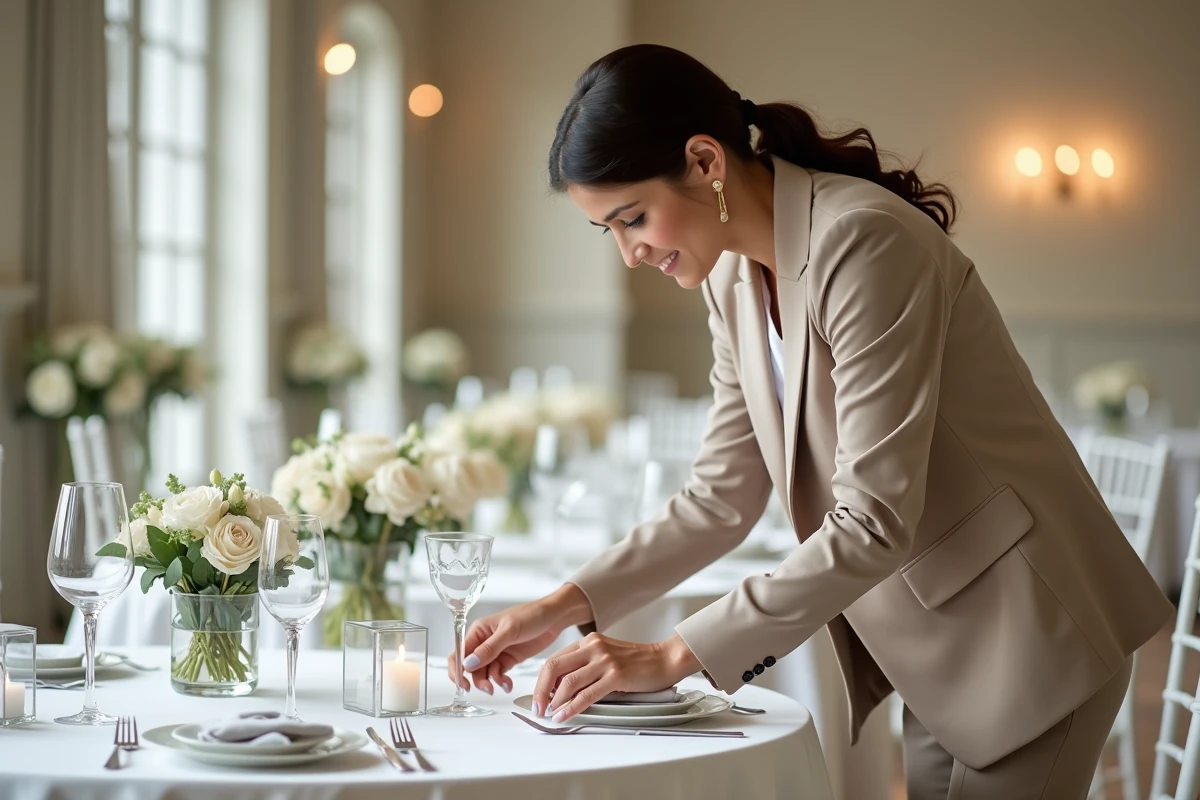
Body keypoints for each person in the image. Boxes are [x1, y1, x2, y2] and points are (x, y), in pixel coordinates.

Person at [450, 44, 1172, 799]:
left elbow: (874, 520)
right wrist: (560, 607)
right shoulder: (729, 277)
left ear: (705, 161)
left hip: (1031, 626)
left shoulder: (862, 241)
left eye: (634, 218)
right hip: (934, 643)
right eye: (611, 230)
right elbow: (720, 497)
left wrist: (672, 655)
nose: (631, 253)